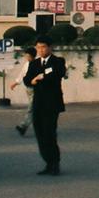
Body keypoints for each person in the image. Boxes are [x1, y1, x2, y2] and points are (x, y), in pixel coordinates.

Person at [23, 36, 67, 176]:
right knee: (40, 134)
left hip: (52, 103)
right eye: (38, 47)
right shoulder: (34, 63)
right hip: (38, 103)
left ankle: (55, 162)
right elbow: (27, 80)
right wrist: (34, 80)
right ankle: (48, 161)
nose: (41, 50)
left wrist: (41, 77)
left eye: (43, 47)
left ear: (49, 47)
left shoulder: (58, 61)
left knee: (50, 133)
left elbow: (57, 74)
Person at [10, 46, 37, 136]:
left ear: (32, 56)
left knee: (31, 108)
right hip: (29, 89)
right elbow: (22, 74)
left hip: (35, 89)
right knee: (36, 109)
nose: (26, 57)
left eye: (28, 56)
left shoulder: (37, 64)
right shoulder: (26, 64)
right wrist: (16, 83)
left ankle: (23, 126)